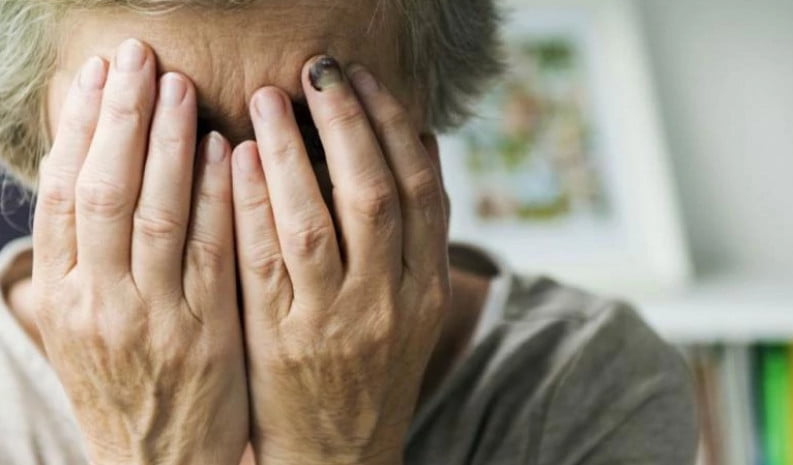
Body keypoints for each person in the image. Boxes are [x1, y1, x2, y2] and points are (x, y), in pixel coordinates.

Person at [0, 1, 698, 464]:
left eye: (312, 137)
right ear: (35, 132)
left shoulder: (587, 381)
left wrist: (333, 449)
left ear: (423, 117)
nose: (251, 211)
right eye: (157, 136)